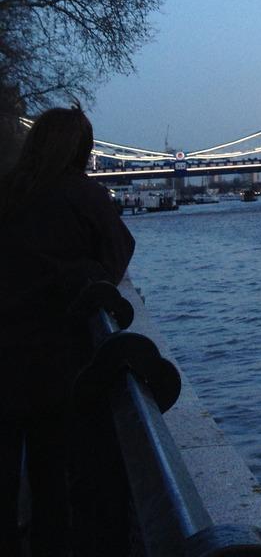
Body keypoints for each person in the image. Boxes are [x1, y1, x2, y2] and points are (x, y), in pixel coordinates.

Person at [0, 106, 136, 556]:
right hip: (54, 362)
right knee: (52, 483)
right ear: (82, 150)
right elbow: (117, 254)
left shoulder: (7, 190)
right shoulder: (84, 195)